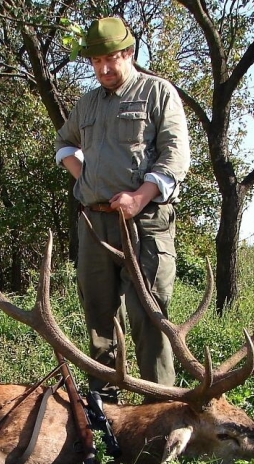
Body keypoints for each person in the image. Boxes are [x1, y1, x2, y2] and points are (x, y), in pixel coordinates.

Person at [55, 17, 190, 402]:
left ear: (129, 53)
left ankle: (160, 413)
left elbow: (176, 156)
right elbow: (64, 143)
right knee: (98, 317)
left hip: (144, 223)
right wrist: (83, 177)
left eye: (111, 59)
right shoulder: (88, 103)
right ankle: (104, 414)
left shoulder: (157, 93)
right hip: (94, 224)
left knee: (150, 316)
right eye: (96, 62)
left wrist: (141, 196)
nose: (103, 69)